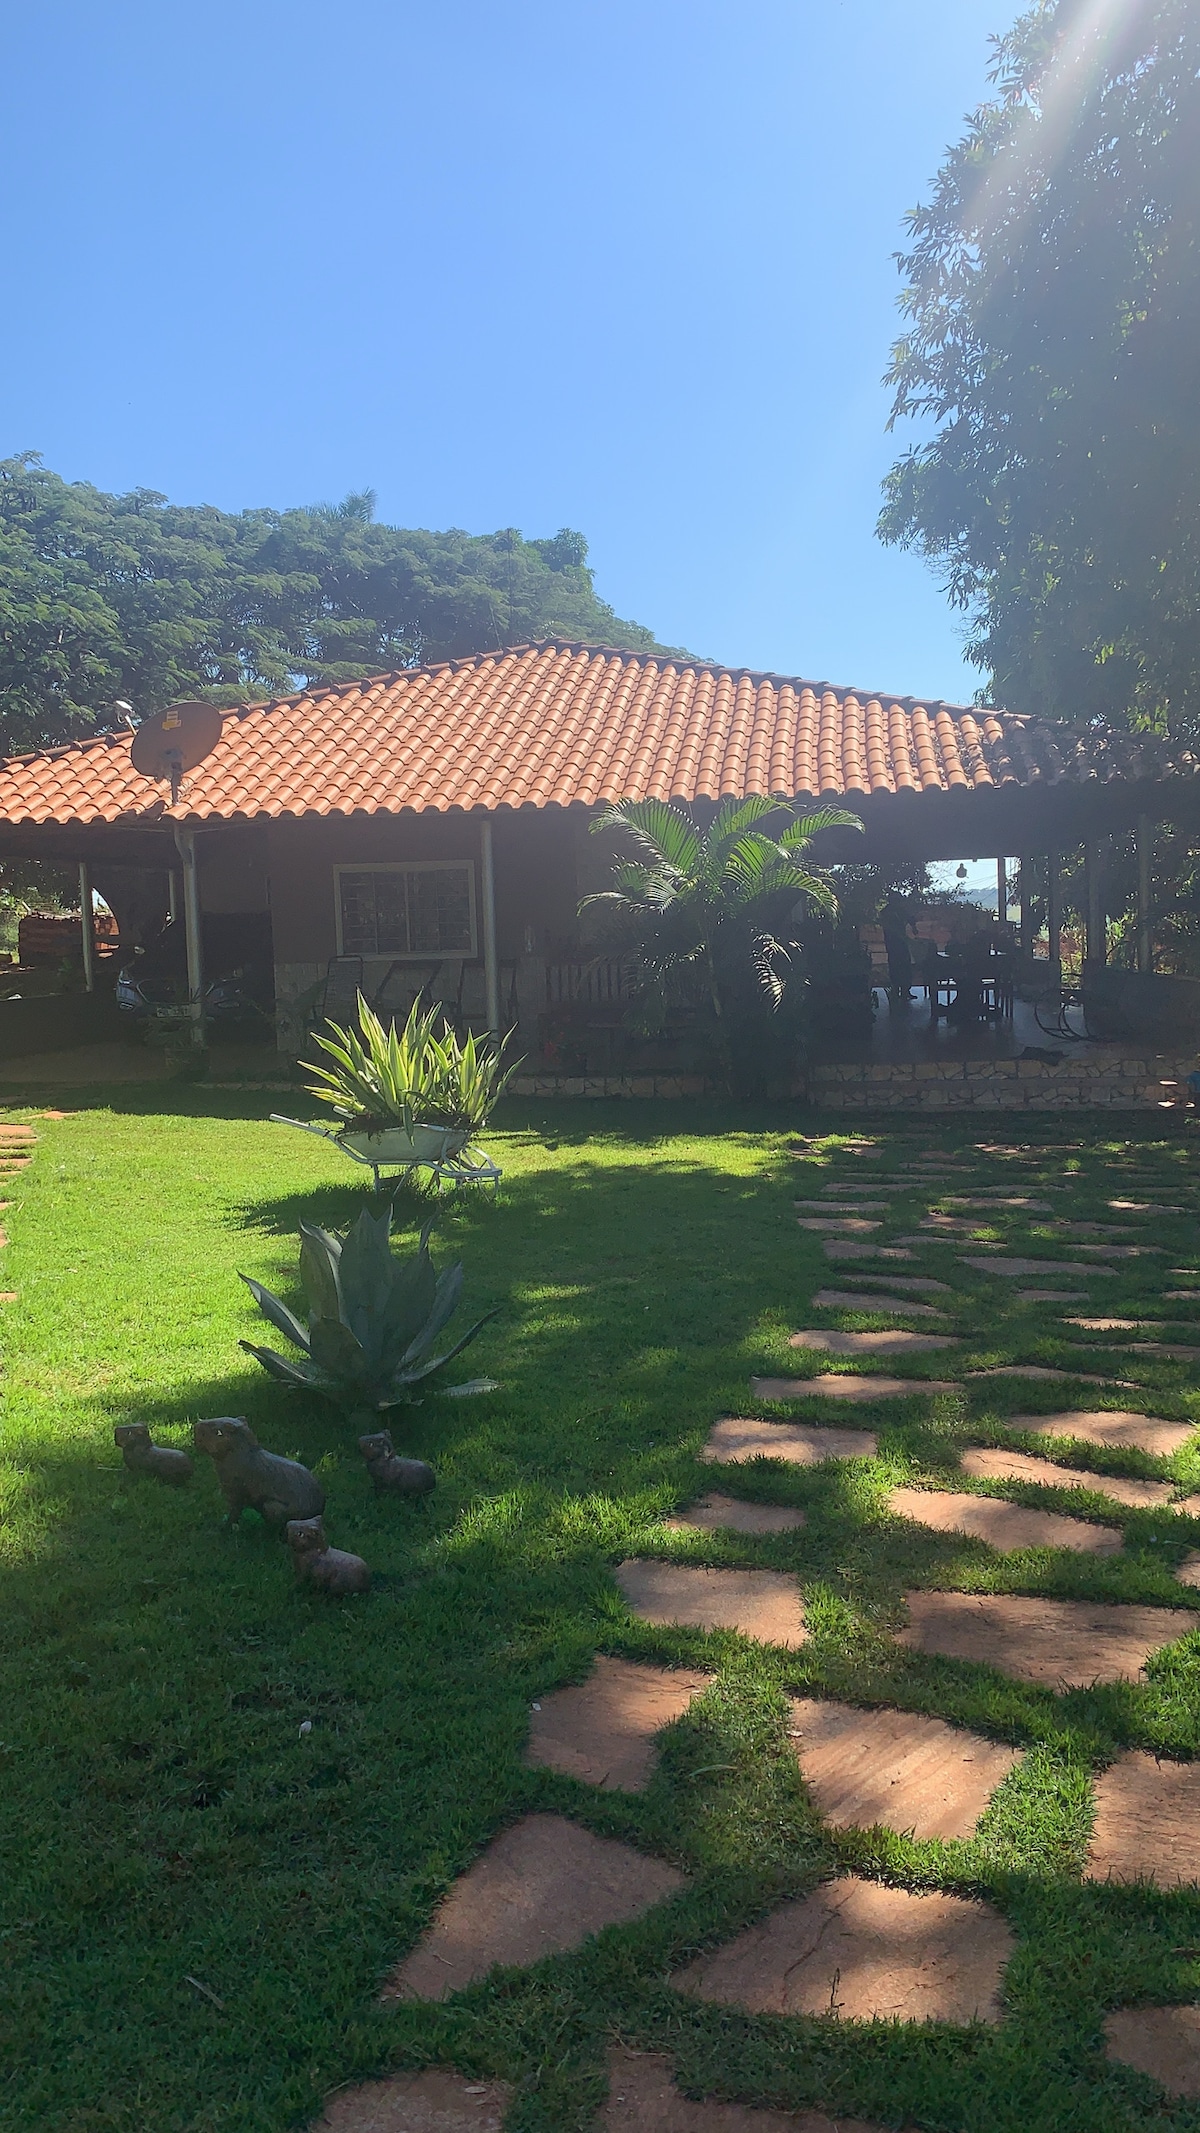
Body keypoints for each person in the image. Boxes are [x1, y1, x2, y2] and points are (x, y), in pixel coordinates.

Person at [879, 894, 915, 1000]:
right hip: (894, 942)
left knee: (901, 965)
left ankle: (903, 990)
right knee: (898, 965)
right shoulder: (889, 912)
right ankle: (898, 990)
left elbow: (910, 919)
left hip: (896, 943)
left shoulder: (895, 911)